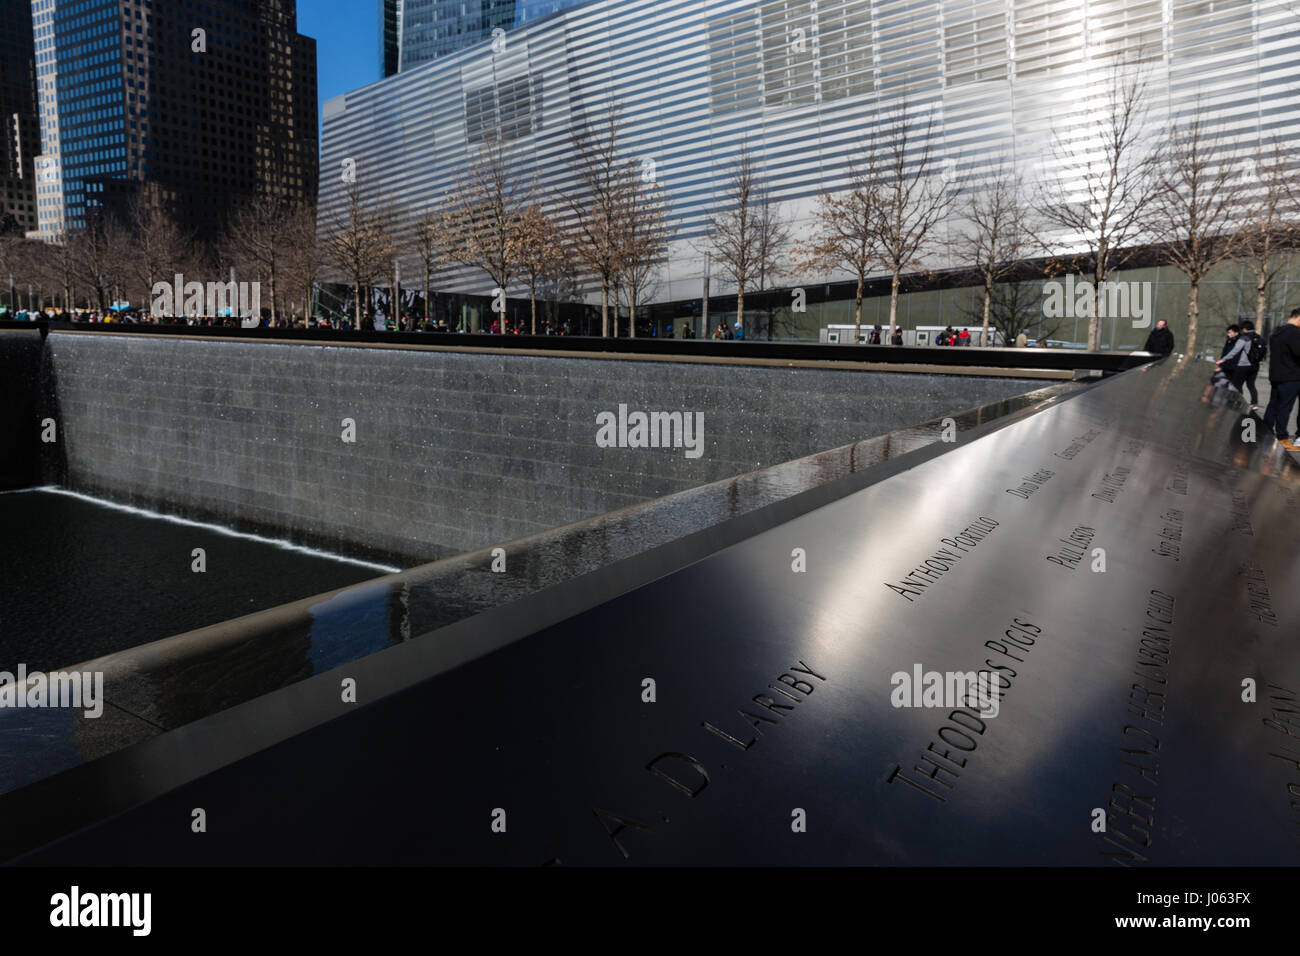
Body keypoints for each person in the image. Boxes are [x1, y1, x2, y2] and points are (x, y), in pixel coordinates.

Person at [1262, 307, 1300, 451]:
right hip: (1291, 376)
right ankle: (1282, 437)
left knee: (1273, 405)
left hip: (1277, 374)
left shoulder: (1277, 332)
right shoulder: (1294, 333)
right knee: (1285, 407)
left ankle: (1264, 431)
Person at [1239, 320, 1266, 409]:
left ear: (1245, 329)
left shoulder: (1244, 337)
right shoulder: (1260, 338)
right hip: (1255, 365)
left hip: (1244, 365)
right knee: (1251, 385)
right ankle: (1254, 403)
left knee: (1238, 384)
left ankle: (1239, 402)